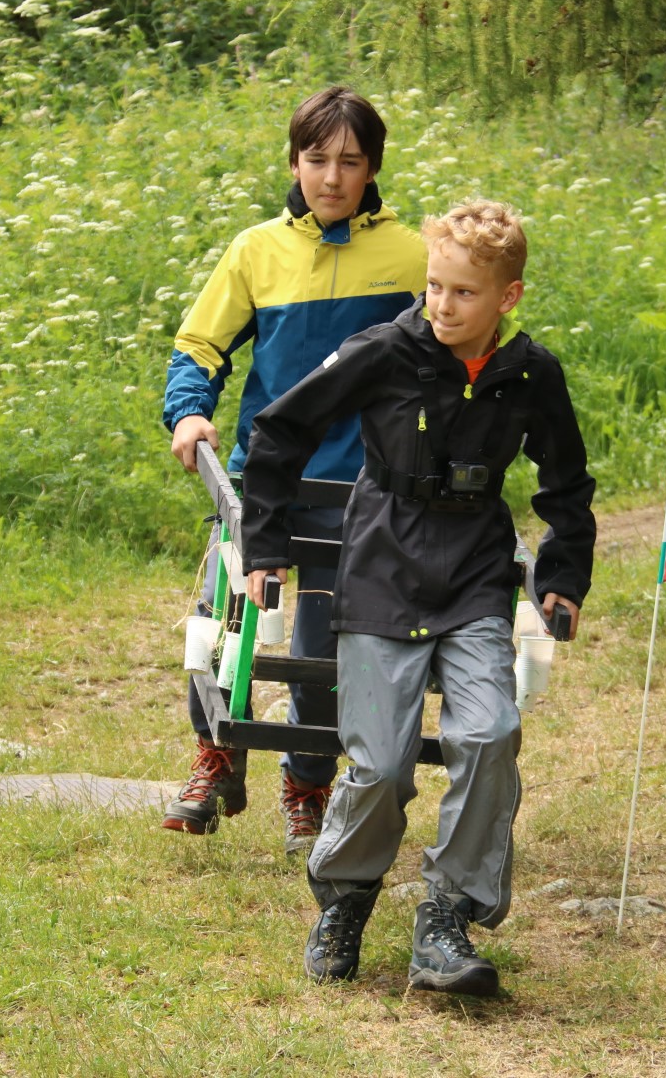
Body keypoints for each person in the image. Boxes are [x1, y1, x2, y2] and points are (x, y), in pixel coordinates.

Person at [240, 200, 596, 996]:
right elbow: (279, 432)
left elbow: (566, 483)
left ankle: (447, 917)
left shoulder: (531, 374)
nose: (442, 304)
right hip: (382, 572)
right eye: (434, 286)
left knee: (490, 733)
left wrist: (562, 577)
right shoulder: (383, 351)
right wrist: (265, 546)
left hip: (473, 577)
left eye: (463, 292)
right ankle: (345, 899)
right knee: (380, 765)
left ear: (508, 297)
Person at [160, 87, 427, 853]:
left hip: (361, 487)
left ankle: (307, 786)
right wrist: (189, 412)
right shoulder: (256, 251)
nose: (331, 177)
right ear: (293, 162)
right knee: (222, 625)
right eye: (317, 159)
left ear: (372, 168)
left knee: (322, 650)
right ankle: (218, 757)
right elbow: (200, 346)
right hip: (265, 478)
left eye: (349, 161)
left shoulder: (413, 256)